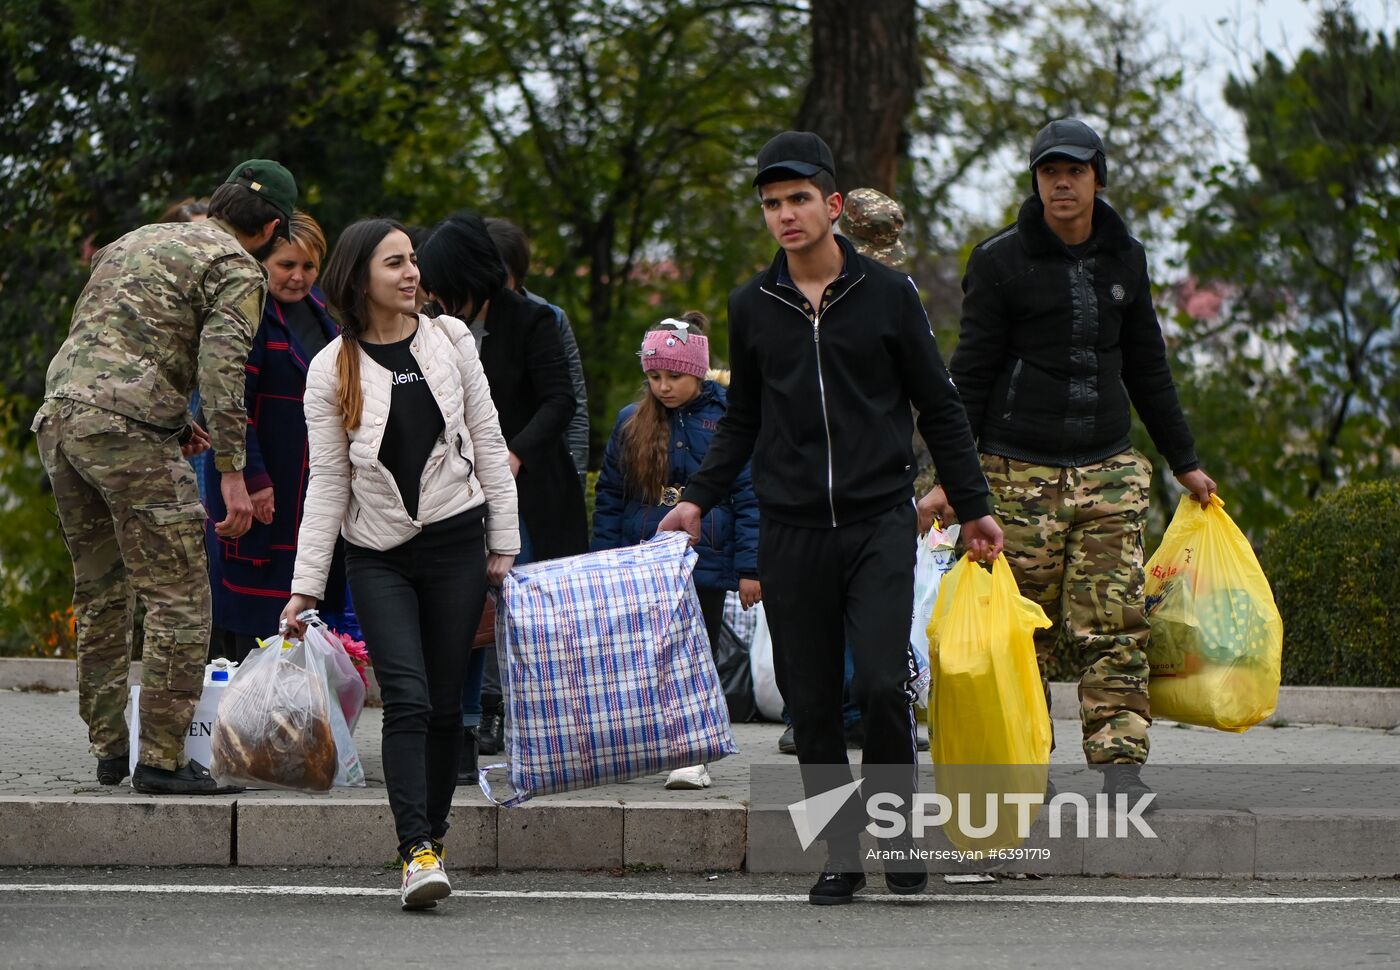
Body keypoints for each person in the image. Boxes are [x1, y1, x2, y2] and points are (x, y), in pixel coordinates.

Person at [657, 131, 1003, 905]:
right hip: (792, 530)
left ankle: (898, 826)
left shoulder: (887, 295)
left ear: (833, 205)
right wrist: (696, 500)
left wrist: (973, 507)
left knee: (882, 684)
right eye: (772, 204)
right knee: (811, 703)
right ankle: (840, 853)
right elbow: (742, 419)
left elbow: (940, 407)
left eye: (799, 199)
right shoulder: (754, 306)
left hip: (881, 520)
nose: (785, 215)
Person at [920, 118, 1217, 803]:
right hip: (1014, 473)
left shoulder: (1127, 258)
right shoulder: (999, 261)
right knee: (1023, 634)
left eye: (1075, 170)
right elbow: (967, 378)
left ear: (1095, 179)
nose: (1062, 182)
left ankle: (1119, 767)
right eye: (1050, 171)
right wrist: (949, 484)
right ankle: (1027, 763)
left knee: (1114, 623)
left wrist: (1184, 459)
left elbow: (1149, 365)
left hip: (1108, 466)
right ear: (1036, 180)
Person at [34, 159, 296, 794]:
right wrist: (232, 471)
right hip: (126, 431)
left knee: (100, 590)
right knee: (180, 596)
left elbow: (109, 341)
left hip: (61, 419)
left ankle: (107, 750)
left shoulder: (135, 240)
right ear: (270, 228)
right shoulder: (236, 266)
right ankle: (162, 760)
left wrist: (176, 426)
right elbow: (222, 373)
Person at [279, 219, 518, 910]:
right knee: (408, 698)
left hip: (455, 544)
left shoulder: (449, 340)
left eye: (413, 261)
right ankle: (415, 850)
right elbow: (327, 483)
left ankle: (433, 840)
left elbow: (488, 437)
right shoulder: (333, 367)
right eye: (395, 264)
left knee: (447, 706)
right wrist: (304, 587)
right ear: (361, 280)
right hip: (376, 554)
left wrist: (503, 546)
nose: (412, 273)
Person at [415, 212, 588, 784]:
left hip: (533, 493)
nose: (432, 294)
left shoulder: (533, 320)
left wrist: (514, 455)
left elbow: (559, 401)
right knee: (465, 618)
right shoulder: (432, 328)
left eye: (440, 283)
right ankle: (463, 735)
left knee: (537, 619)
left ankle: (547, 737)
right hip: (458, 495)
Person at [591, 311, 761, 790]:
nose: (663, 386)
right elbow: (610, 498)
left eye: (675, 376)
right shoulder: (631, 422)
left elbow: (750, 495)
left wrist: (751, 567)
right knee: (645, 653)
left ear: (698, 371)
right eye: (654, 376)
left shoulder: (730, 418)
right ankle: (646, 743)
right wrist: (603, 562)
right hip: (643, 555)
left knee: (696, 651)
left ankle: (692, 752)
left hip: (703, 555)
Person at [203, 210, 351, 662]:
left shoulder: (326, 316)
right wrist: (255, 478)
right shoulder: (248, 314)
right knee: (255, 616)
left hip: (312, 489)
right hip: (257, 484)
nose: (299, 277)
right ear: (263, 261)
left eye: (308, 266)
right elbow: (231, 403)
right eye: (287, 265)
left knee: (308, 609)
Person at [484, 217, 591, 484]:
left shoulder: (549, 318)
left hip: (541, 468)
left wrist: (575, 474)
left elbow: (572, 402)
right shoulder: (460, 318)